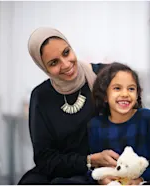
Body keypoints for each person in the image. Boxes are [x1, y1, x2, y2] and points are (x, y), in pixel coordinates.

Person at [18, 27, 120, 184]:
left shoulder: (103, 75)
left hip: (106, 166)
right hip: (62, 169)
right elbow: (44, 159)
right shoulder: (41, 96)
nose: (66, 64)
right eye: (53, 63)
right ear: (43, 67)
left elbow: (134, 121)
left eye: (66, 52)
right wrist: (89, 160)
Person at [88, 62, 150, 185]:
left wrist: (141, 179)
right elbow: (91, 168)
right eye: (117, 88)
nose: (125, 94)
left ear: (137, 94)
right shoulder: (95, 125)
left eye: (131, 89)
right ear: (104, 95)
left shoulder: (147, 119)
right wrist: (101, 180)